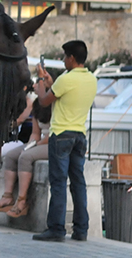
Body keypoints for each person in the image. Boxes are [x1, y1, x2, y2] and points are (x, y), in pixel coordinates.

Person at [32, 40, 97, 242]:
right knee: (78, 183)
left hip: (61, 135)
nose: (63, 60)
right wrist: (51, 83)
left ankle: (56, 229)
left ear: (70, 58)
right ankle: (81, 229)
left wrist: (40, 86)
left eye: (64, 57)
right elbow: (64, 94)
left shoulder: (66, 79)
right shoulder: (91, 79)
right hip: (80, 135)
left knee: (58, 183)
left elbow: (44, 101)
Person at [0, 99, 51, 218]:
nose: (34, 85)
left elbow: (53, 134)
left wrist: (34, 147)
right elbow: (35, 133)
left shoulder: (56, 105)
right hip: (40, 141)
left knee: (25, 157)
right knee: (11, 155)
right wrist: (30, 145)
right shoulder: (37, 104)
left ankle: (22, 201)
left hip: (52, 142)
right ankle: (7, 197)